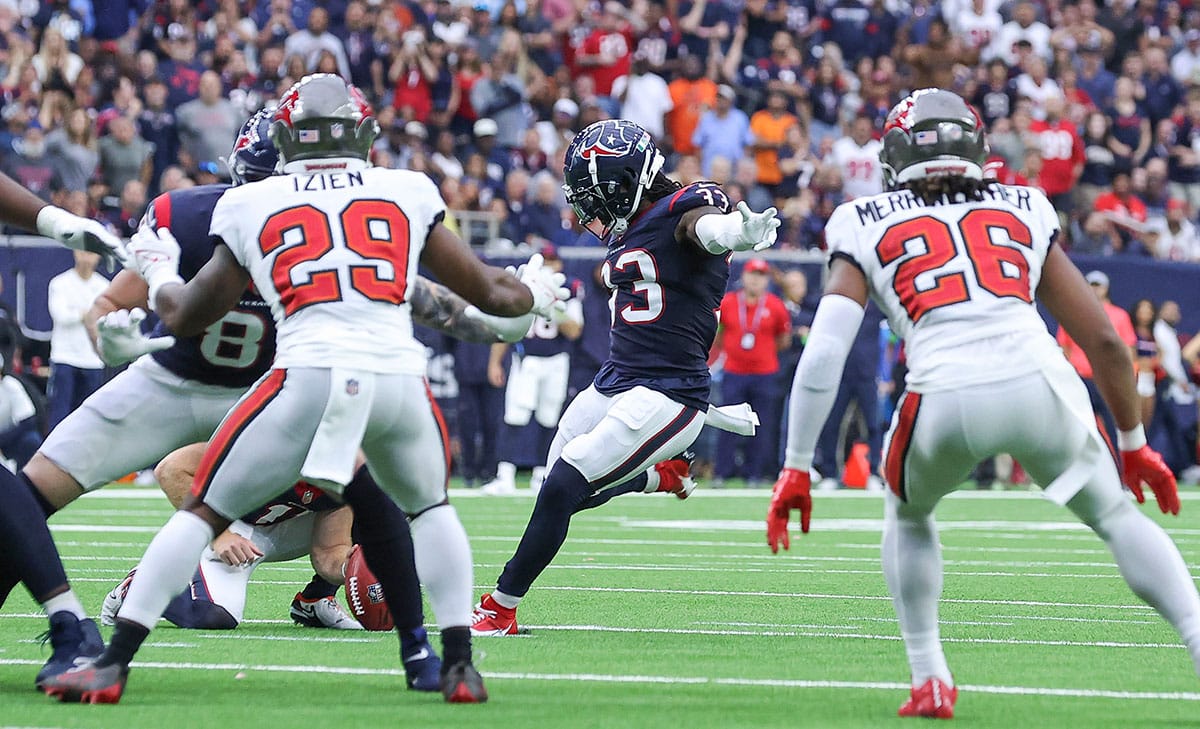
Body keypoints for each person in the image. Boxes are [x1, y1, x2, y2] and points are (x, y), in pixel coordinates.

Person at [41, 74, 566, 705]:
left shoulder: (249, 204)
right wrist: (530, 298)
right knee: (431, 511)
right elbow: (487, 298)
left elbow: (184, 316)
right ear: (366, 135)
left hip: (308, 374)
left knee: (204, 508)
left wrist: (155, 275)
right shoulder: (406, 189)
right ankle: (454, 664)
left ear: (286, 141)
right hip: (395, 380)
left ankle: (113, 662)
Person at [768, 89, 1199, 719]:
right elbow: (1105, 339)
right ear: (978, 149)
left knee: (909, 514)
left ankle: (930, 676)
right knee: (1115, 516)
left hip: (941, 395)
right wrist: (1134, 444)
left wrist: (797, 464)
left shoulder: (861, 219)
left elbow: (825, 352)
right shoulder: (1025, 205)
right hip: (1038, 382)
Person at [470, 119, 779, 636]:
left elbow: (702, 228)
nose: (588, 209)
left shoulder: (685, 206)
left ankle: (499, 606)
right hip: (617, 378)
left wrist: (735, 234)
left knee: (567, 480)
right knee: (560, 490)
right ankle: (661, 476)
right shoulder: (633, 220)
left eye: (595, 196)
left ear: (626, 182)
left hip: (670, 392)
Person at [101, 442, 365, 633]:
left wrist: (352, 570)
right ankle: (140, 585)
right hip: (231, 526)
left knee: (378, 510)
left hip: (281, 526)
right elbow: (171, 469)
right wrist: (219, 532)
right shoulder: (266, 442)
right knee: (214, 617)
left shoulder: (344, 466)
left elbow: (329, 550)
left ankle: (316, 600)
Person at [484, 245, 585, 494]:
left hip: (556, 361)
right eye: (545, 260)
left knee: (549, 418)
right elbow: (508, 327)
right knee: (515, 416)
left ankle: (542, 474)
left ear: (560, 265)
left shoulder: (568, 289)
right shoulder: (523, 285)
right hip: (526, 359)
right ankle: (505, 474)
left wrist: (552, 305)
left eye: (553, 261)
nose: (549, 266)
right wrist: (495, 361)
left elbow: (575, 331)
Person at [712, 258, 789, 486]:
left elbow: (783, 339)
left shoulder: (775, 305)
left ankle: (754, 473)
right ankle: (722, 472)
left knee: (760, 424)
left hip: (764, 373)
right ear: (743, 277)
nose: (755, 279)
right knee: (727, 422)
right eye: (752, 274)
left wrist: (762, 352)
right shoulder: (728, 303)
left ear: (766, 280)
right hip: (734, 371)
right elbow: (718, 334)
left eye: (761, 275)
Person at [46, 250, 108, 428]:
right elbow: (61, 316)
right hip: (64, 358)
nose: (87, 256)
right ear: (74, 252)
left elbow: (104, 319)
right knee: (60, 414)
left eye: (91, 252)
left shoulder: (104, 286)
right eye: (83, 251)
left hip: (93, 361)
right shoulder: (59, 283)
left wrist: (81, 313)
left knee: (89, 418)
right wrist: (88, 314)